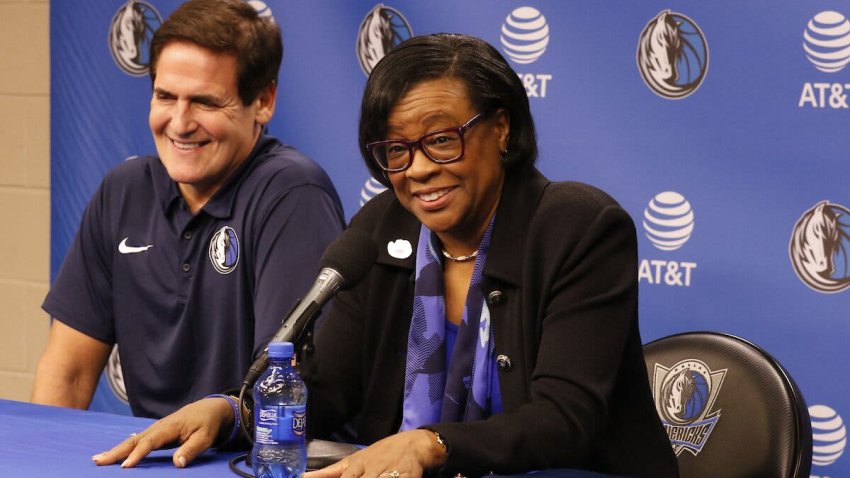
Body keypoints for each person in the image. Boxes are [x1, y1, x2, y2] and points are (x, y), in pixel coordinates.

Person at [92, 33, 679, 477]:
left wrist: (434, 444)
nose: (419, 169)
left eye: (441, 140)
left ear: (502, 129)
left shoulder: (577, 227)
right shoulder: (384, 228)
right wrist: (231, 414)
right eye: (396, 150)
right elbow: (333, 389)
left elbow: (565, 419)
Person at [31, 0, 345, 419]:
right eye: (165, 96)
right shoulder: (123, 191)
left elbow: (281, 387)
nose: (179, 122)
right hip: (151, 456)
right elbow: (68, 374)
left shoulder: (291, 193)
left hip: (244, 459)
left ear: (263, 101)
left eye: (205, 102)